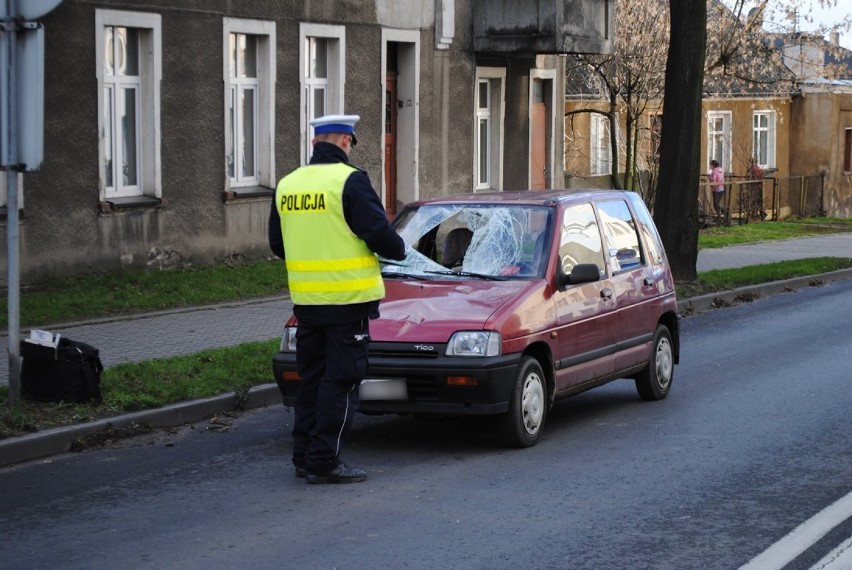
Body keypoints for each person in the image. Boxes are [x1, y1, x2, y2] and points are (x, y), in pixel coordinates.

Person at [268, 114, 405, 484]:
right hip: (347, 301)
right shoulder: (350, 181)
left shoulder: (288, 184)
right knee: (341, 380)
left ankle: (304, 456)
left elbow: (278, 245)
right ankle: (325, 460)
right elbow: (379, 234)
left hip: (307, 303)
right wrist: (400, 249)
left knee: (312, 379)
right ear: (346, 142)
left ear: (316, 143)